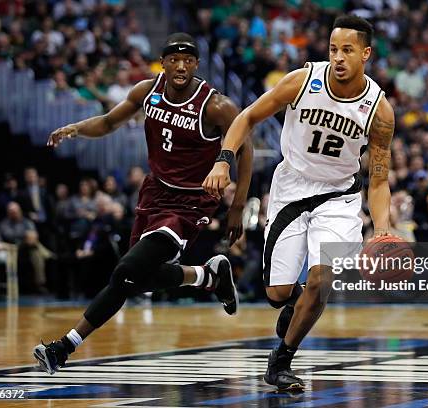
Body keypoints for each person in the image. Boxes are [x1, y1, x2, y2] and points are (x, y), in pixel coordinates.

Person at [34, 33, 253, 375]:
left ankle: (63, 347)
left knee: (124, 272)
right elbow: (108, 122)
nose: (181, 66)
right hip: (153, 194)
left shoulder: (216, 104)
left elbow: (247, 145)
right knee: (136, 279)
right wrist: (76, 127)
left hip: (189, 204)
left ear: (196, 65)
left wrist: (237, 206)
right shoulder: (146, 91)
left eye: (188, 60)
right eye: (174, 59)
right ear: (163, 63)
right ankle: (206, 277)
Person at [204, 15, 394, 391]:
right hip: (291, 187)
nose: (338, 57)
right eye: (333, 49)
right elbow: (247, 116)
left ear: (366, 54)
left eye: (348, 50)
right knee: (277, 294)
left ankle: (281, 360)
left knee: (322, 279)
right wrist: (223, 159)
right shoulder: (303, 81)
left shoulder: (379, 110)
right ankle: (293, 305)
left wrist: (383, 229)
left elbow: (380, 179)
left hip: (339, 196)